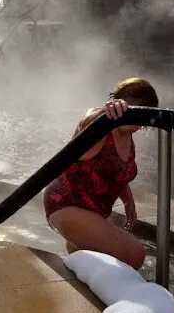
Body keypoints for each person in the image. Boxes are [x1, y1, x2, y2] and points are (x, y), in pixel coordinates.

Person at [43, 77, 158, 270]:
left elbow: (115, 175)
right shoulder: (100, 121)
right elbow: (86, 122)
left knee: (109, 257)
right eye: (136, 113)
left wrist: (128, 202)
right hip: (66, 205)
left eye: (144, 120)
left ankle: (84, 271)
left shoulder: (128, 136)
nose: (139, 126)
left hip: (92, 213)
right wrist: (108, 110)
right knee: (134, 254)